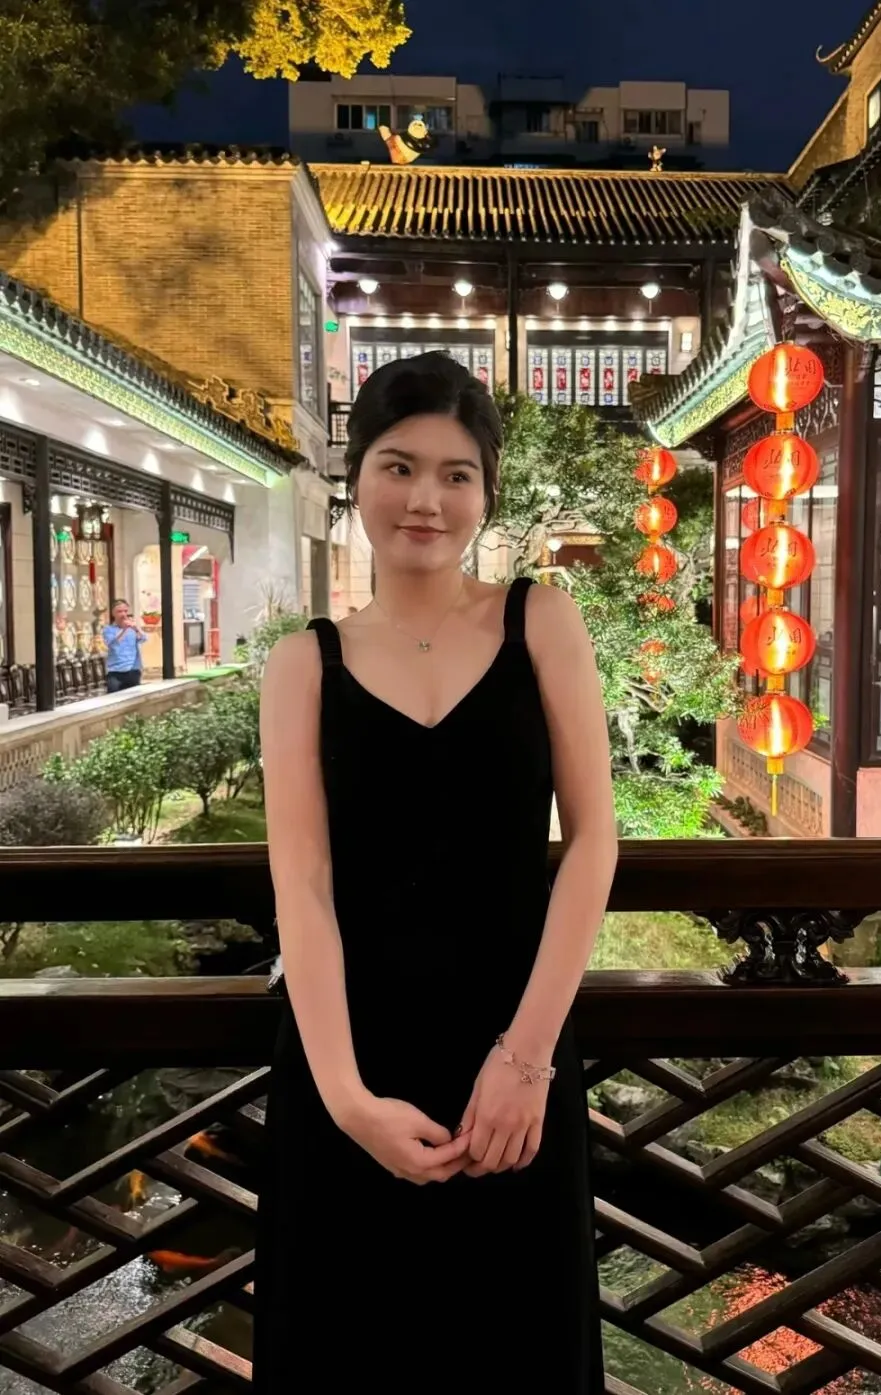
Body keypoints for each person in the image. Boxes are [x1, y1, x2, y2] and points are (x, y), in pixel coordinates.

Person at [255, 352, 617, 1391]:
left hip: (514, 1066)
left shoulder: (541, 622)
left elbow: (594, 841)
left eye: (457, 474)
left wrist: (526, 1058)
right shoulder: (302, 665)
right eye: (399, 466)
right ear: (356, 478)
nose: (427, 499)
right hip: (350, 1064)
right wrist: (346, 1100)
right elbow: (303, 888)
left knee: (519, 1351)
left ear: (486, 492)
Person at [101, 599, 147, 693]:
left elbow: (144, 638)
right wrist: (124, 629)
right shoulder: (108, 629)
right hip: (115, 673)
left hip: (133, 671)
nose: (123, 614)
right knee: (114, 699)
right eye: (120, 611)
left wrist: (136, 628)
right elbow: (113, 644)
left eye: (125, 611)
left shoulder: (133, 629)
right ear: (113, 613)